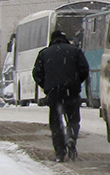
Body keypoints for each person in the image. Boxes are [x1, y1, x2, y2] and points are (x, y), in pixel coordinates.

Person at [32, 30, 90, 162]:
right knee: (73, 119)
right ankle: (71, 138)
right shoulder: (75, 51)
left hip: (54, 92)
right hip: (72, 91)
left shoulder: (44, 53)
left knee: (56, 122)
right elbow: (84, 70)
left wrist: (47, 86)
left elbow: (37, 74)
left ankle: (59, 152)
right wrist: (75, 82)